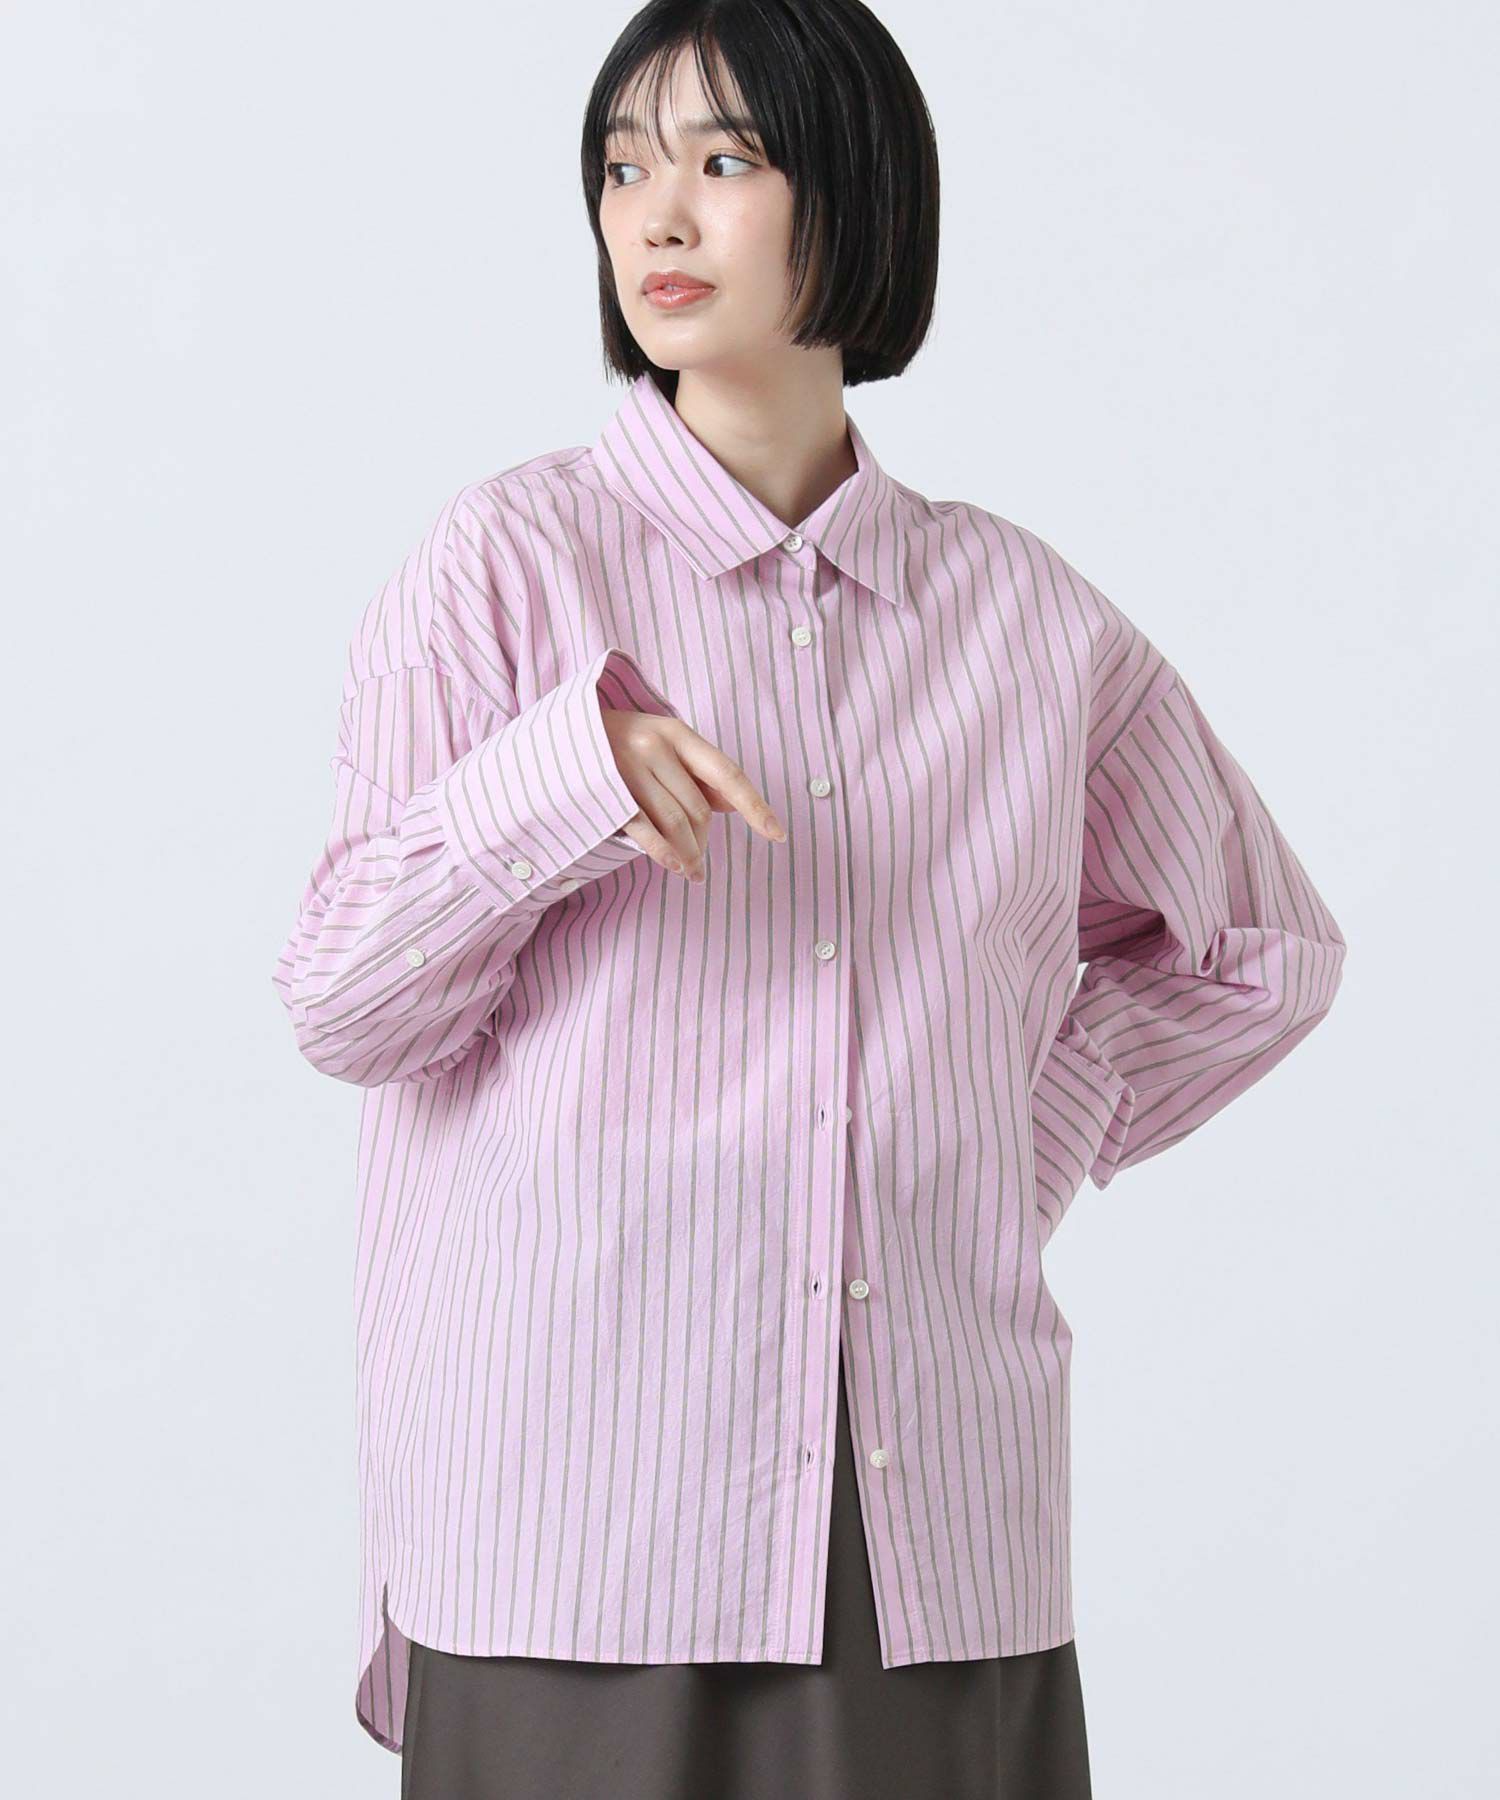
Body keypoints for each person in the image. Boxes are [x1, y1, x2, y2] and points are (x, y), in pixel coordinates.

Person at [271, 3, 1347, 1795]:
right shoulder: (504, 565)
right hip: (571, 1509)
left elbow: (1263, 953)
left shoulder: (1026, 621)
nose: (657, 214)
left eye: (724, 159)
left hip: (922, 1518)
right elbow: (344, 1007)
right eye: (623, 164)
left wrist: (1024, 1127)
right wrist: (562, 781)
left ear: (853, 190)